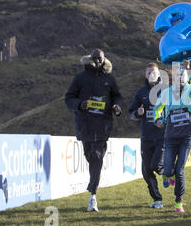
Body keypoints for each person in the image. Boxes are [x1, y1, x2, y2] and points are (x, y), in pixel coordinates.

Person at [65, 49, 123, 212]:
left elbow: (118, 97)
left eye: (101, 59)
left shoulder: (109, 79)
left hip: (103, 125)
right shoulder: (80, 78)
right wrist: (79, 105)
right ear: (91, 59)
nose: (98, 61)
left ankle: (93, 195)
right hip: (85, 125)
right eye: (96, 59)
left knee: (97, 155)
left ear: (105, 60)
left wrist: (117, 107)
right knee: (90, 156)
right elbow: (69, 97)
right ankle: (93, 186)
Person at [153, 60, 191, 213]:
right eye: (177, 75)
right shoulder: (166, 93)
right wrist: (157, 119)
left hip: (186, 137)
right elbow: (157, 108)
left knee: (179, 170)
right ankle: (166, 175)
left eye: (183, 75)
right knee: (167, 169)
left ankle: (178, 202)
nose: (180, 78)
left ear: (186, 78)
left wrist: (189, 69)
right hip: (171, 137)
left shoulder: (190, 91)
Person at [128, 62, 166, 209]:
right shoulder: (140, 93)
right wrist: (138, 113)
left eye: (154, 72)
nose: (151, 74)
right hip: (146, 137)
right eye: (149, 72)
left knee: (157, 166)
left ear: (159, 74)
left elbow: (174, 110)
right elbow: (131, 113)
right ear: (145, 74)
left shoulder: (166, 91)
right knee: (146, 170)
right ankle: (157, 200)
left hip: (162, 136)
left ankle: (168, 173)